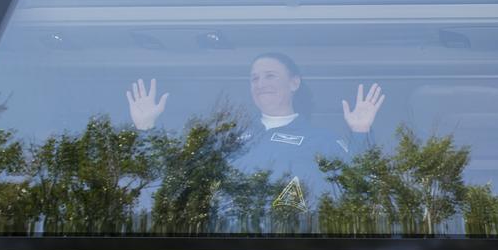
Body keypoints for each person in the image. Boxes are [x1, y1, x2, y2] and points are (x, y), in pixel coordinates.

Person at [125, 52, 385, 211]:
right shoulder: (225, 140)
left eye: (270, 76)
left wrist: (361, 132)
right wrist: (146, 129)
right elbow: (174, 183)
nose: (261, 83)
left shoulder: (321, 141)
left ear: (294, 83)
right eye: (255, 78)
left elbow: (361, 189)